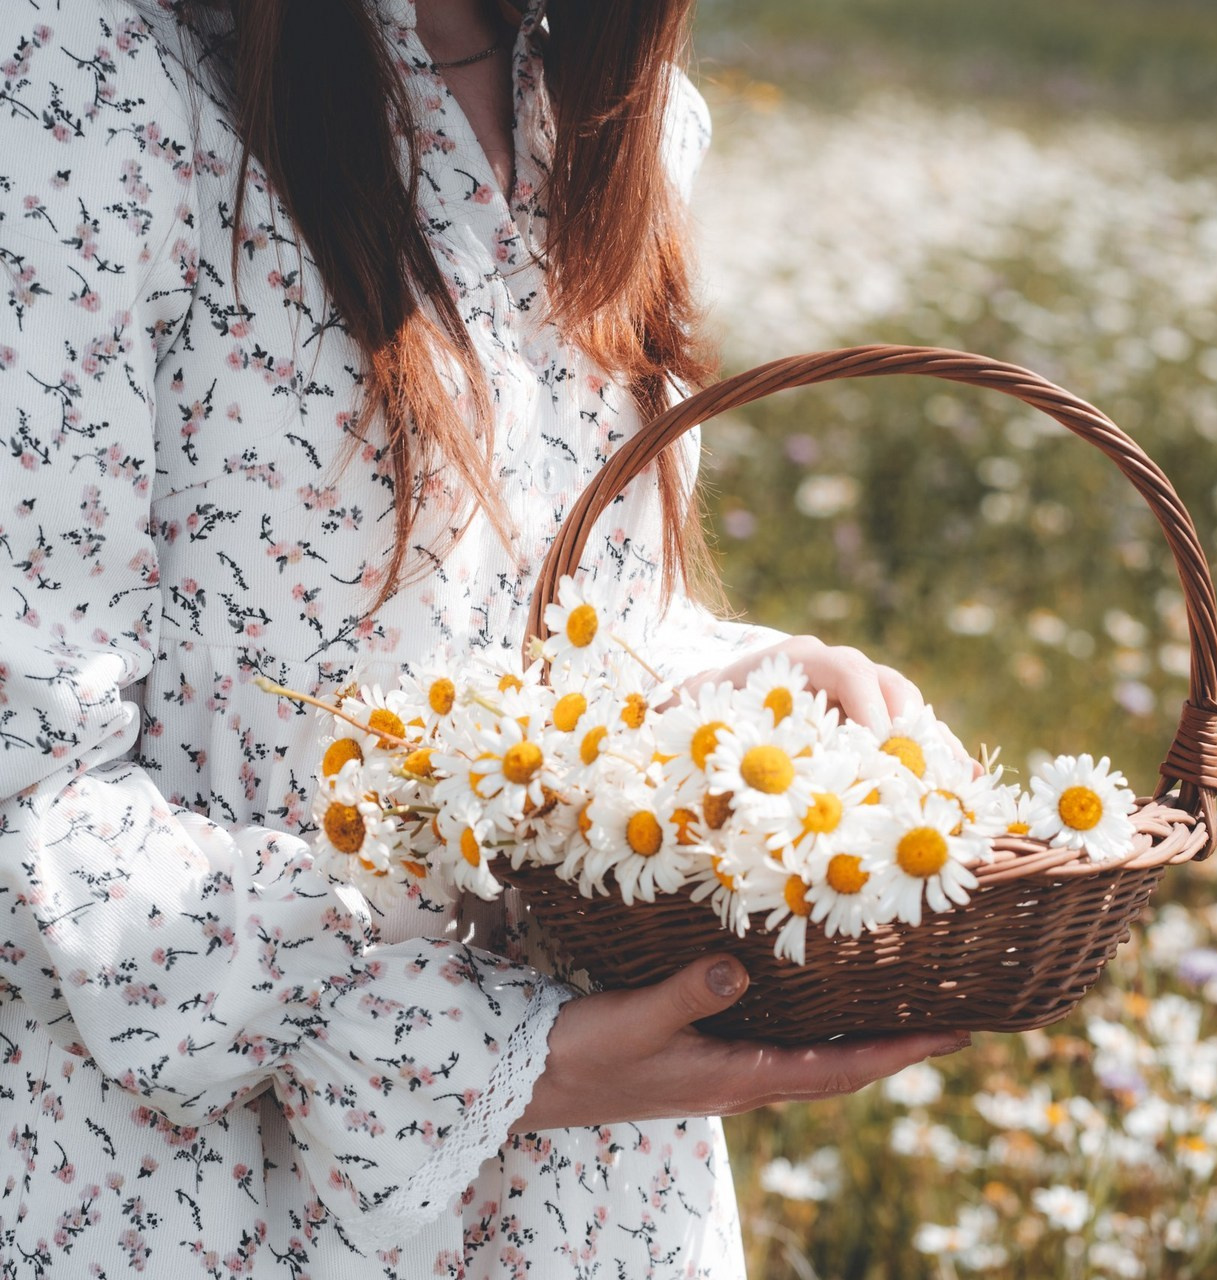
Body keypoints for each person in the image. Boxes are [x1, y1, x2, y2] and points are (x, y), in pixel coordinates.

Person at [0, 0, 969, 1274]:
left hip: (604, 1208)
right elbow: (31, 780)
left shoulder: (619, 114)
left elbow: (534, 623)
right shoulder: (82, 74)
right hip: (209, 1200)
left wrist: (716, 692)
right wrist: (498, 1060)